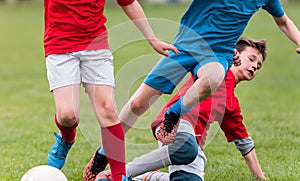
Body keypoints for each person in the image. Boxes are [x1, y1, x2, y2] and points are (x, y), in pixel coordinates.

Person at [85, 0, 300, 180]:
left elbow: (283, 21)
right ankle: (104, 153)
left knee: (215, 76)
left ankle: (174, 114)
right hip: (186, 45)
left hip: (218, 55)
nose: (253, 66)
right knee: (138, 104)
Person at [90, 37, 268, 181]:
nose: (254, 66)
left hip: (193, 147)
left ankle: (147, 178)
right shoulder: (215, 70)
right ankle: (119, 175)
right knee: (186, 148)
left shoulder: (231, 104)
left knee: (188, 168)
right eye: (251, 59)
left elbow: (244, 143)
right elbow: (209, 47)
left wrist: (260, 177)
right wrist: (228, 50)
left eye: (258, 66)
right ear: (237, 55)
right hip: (173, 124)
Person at [43, 0, 178, 181]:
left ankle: (119, 176)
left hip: (95, 47)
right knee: (68, 115)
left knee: (107, 110)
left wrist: (152, 39)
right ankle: (67, 137)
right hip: (60, 46)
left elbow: (128, 3)